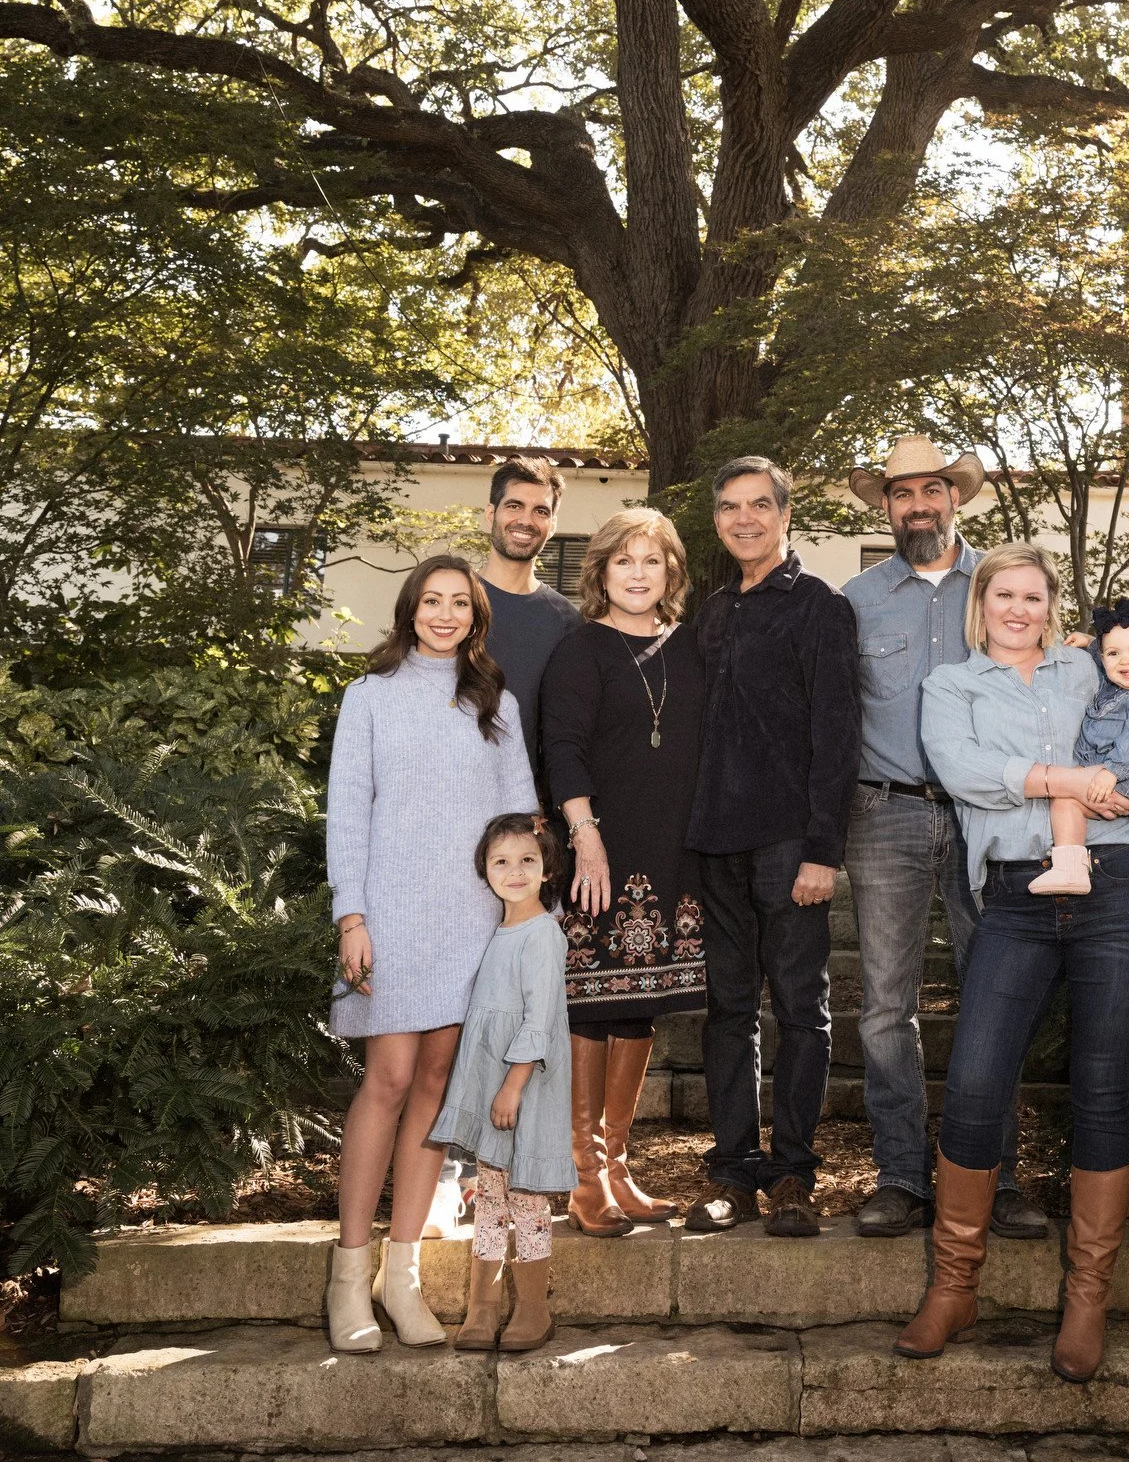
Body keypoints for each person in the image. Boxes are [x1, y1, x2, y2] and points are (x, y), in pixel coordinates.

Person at [896, 543, 1129, 1384]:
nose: (1019, 609)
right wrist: (1069, 777)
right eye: (1003, 595)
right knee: (976, 1081)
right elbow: (968, 775)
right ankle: (955, 1286)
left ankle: (1088, 1297)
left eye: (1033, 596)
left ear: (1052, 606)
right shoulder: (950, 688)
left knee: (1102, 1086)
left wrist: (1124, 780)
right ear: (981, 605)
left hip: (1120, 888)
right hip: (1015, 897)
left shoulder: (1090, 672)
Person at [324, 556, 537, 1355]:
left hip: (472, 918)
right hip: (390, 914)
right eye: (431, 602)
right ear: (409, 610)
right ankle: (348, 1274)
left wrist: (520, 920)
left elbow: (521, 821)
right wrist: (352, 915)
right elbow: (347, 813)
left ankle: (401, 1275)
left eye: (459, 604)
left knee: (441, 1086)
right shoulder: (370, 697)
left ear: (476, 618)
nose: (444, 614)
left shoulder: (498, 705)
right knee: (388, 1079)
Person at [841, 438, 1046, 1242]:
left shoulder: (997, 590)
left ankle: (995, 1177)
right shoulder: (856, 599)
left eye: (933, 489)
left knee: (993, 995)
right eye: (902, 494)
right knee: (886, 1007)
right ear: (886, 507)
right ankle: (899, 1176)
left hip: (988, 817)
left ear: (955, 498)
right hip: (882, 813)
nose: (918, 504)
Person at [683, 457, 860, 1239]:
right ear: (718, 520)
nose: (744, 519)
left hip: (791, 844)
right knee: (727, 1010)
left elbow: (837, 734)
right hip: (714, 841)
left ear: (786, 515)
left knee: (800, 1010)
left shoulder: (820, 607)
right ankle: (732, 1172)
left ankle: (793, 1172)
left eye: (759, 505)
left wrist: (824, 850)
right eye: (730, 507)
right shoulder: (710, 612)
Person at [539, 510, 707, 1236]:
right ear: (600, 572)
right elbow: (563, 748)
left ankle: (618, 1168)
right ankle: (582, 1178)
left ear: (672, 572)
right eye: (624, 561)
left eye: (653, 560)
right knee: (592, 1002)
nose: (639, 573)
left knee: (637, 1004)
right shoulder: (581, 650)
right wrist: (586, 836)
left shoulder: (691, 648)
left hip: (671, 849)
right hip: (600, 849)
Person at [430, 813, 575, 1354]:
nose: (514, 872)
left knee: (526, 1197)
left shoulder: (542, 935)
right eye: (501, 862)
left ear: (547, 869)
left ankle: (534, 1307)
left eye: (527, 861)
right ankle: (483, 1305)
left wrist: (512, 1086)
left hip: (524, 1087)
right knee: (490, 1194)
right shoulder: (496, 933)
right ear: (484, 869)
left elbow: (539, 1020)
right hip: (493, 1084)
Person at [1030, 596, 1129, 897]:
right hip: (1118, 772)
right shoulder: (1117, 687)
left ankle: (1071, 870)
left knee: (1065, 799)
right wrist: (1090, 644)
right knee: (1065, 793)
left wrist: (1109, 773)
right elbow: (1105, 663)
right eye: (1113, 653)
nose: (1125, 661)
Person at [478, 456, 581, 770]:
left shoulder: (567, 621)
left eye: (541, 511)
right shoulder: (448, 603)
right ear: (490, 515)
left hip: (520, 802)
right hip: (438, 791)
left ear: (552, 527)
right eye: (514, 506)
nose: (526, 520)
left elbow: (566, 726)